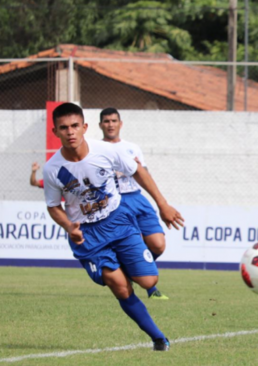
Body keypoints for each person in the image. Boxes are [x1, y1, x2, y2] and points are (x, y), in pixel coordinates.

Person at [43, 103, 184, 350]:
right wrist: (69, 226)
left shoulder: (105, 151)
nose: (70, 132)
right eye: (64, 128)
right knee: (118, 285)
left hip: (117, 220)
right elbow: (53, 206)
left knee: (149, 281)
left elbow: (137, 170)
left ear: (85, 127)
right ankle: (158, 338)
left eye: (75, 126)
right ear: (56, 131)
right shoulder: (53, 169)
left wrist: (163, 204)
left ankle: (126, 270)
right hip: (86, 234)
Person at [99, 107, 169, 300]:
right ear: (100, 125)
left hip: (137, 197)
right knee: (134, 240)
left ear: (120, 124)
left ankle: (131, 272)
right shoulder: (97, 149)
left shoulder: (132, 147)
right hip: (116, 202)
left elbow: (143, 172)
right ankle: (150, 288)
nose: (110, 124)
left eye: (114, 121)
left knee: (158, 244)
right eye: (106, 121)